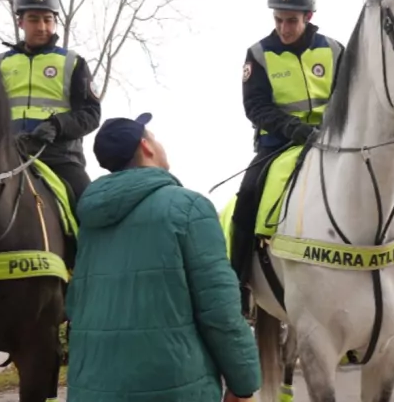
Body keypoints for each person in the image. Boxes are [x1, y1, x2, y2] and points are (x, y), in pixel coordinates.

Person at [65, 113, 261, 402]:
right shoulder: (188, 207)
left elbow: (77, 307)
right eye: (154, 137)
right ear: (147, 147)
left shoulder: (91, 221)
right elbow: (219, 309)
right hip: (176, 389)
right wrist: (243, 382)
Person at [231, 0, 345, 317]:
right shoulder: (259, 54)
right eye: (278, 20)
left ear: (308, 16)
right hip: (277, 144)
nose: (284, 28)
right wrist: (293, 129)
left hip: (333, 143)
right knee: (248, 197)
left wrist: (331, 128)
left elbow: (350, 97)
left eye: (291, 21)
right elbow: (256, 107)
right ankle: (237, 285)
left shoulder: (336, 50)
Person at [0, 0, 101, 202]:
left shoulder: (73, 62)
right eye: (34, 19)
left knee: (92, 207)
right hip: (4, 154)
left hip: (59, 156)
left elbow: (91, 115)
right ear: (20, 22)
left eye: (48, 19)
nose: (42, 27)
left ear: (55, 22)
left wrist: (57, 125)